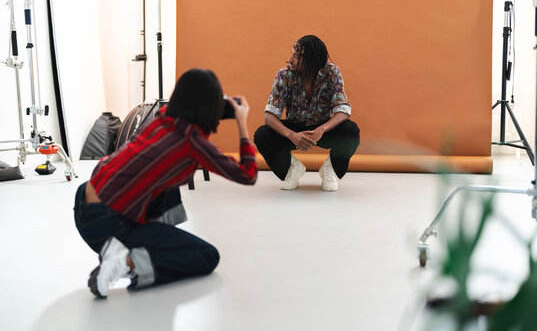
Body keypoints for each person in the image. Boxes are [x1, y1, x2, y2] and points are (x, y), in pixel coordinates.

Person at [74, 68, 257, 298]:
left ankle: (129, 249)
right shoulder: (193, 142)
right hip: (109, 223)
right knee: (208, 256)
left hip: (84, 208)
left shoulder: (159, 119)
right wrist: (241, 122)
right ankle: (126, 262)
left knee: (162, 184)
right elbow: (248, 174)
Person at [254, 35, 359, 191]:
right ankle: (293, 169)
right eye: (291, 54)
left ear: (312, 60)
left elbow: (343, 110)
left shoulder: (331, 73)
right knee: (262, 135)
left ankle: (330, 169)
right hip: (295, 128)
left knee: (351, 131)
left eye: (296, 56)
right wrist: (292, 135)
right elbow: (269, 116)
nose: (290, 60)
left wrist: (322, 129)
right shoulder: (284, 75)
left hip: (322, 128)